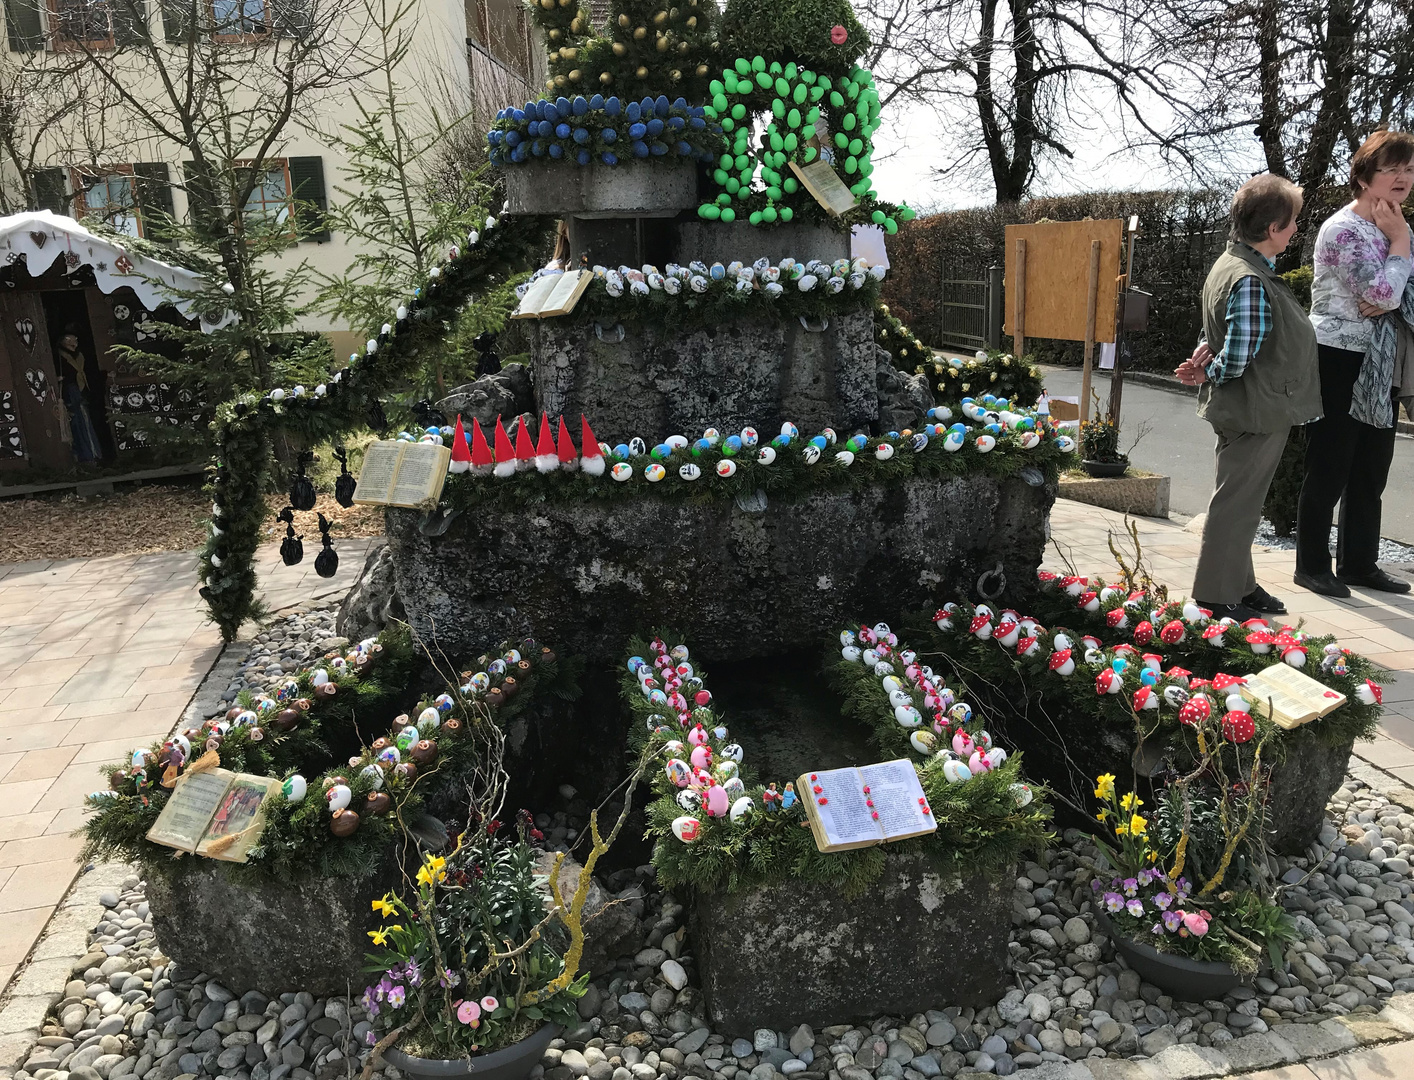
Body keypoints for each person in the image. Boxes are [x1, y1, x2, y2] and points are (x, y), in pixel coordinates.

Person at [1175, 174, 1321, 621]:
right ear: (1274, 227)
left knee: (1240, 498)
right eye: (1293, 220)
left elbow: (1216, 331)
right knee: (1236, 503)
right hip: (1256, 408)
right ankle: (1216, 596)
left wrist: (1204, 364)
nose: (1296, 228)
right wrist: (1212, 371)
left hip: (1248, 406)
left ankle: (1240, 584)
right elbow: (1238, 354)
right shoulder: (1252, 278)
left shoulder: (1231, 264)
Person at [1294, 129, 1414, 596]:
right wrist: (1399, 252)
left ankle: (1360, 565)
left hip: (1383, 360)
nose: (1403, 177)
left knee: (1372, 466)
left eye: (1408, 168)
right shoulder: (1343, 229)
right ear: (1364, 176)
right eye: (1392, 168)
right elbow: (1383, 293)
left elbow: (1397, 298)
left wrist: (1393, 278)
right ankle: (1311, 565)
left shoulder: (1398, 228)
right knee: (1330, 462)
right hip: (1338, 357)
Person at [53, 325, 102, 465]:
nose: (74, 342)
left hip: (82, 391)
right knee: (75, 424)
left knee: (86, 422)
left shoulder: (80, 355)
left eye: (75, 339)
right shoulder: (59, 356)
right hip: (70, 392)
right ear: (63, 341)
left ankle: (93, 454)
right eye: (71, 340)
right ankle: (83, 456)